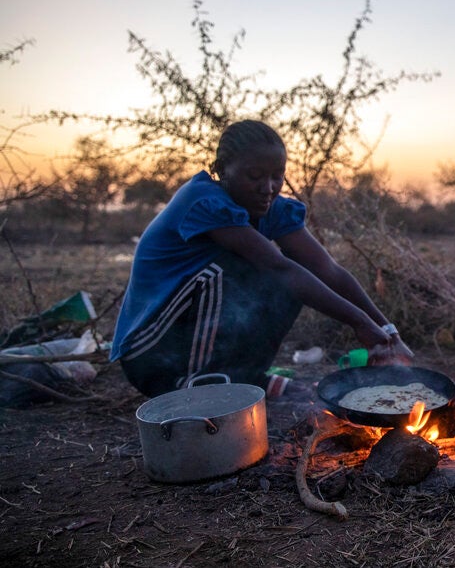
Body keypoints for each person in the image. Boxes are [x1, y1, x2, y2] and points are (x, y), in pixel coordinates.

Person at [110, 119, 413, 397]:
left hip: (190, 338)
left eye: (277, 176)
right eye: (254, 176)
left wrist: (387, 331)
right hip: (151, 351)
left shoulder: (274, 209)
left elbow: (327, 269)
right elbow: (276, 267)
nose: (267, 188)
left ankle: (243, 378)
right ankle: (196, 385)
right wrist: (359, 323)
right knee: (241, 270)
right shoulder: (203, 201)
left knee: (296, 276)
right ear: (222, 169)